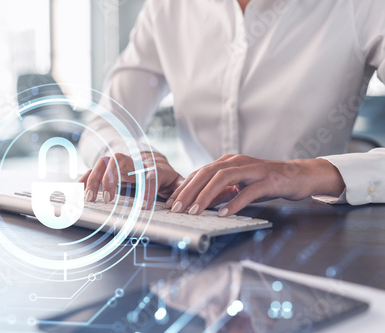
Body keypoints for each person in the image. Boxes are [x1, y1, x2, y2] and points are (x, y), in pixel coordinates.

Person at [78, 0, 385, 217]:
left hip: (312, 229)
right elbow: (105, 122)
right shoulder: (167, 7)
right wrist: (137, 156)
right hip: (195, 220)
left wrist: (304, 172)